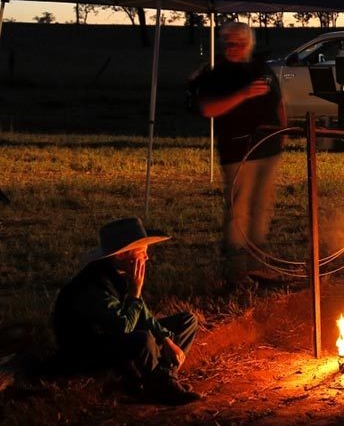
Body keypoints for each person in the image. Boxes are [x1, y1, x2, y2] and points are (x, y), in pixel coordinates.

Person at [51, 217, 201, 405]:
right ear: (121, 255)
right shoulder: (93, 286)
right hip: (89, 347)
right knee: (143, 338)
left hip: (114, 334)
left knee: (187, 320)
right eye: (142, 252)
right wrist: (136, 291)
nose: (147, 257)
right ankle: (162, 389)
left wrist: (165, 338)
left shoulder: (119, 274)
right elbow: (124, 327)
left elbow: (142, 313)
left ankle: (165, 378)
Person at [192, 21, 286, 280]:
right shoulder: (217, 74)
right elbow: (208, 109)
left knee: (262, 208)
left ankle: (258, 266)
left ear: (249, 45)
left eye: (239, 43)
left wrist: (283, 132)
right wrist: (243, 94)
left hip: (268, 148)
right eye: (229, 42)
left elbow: (278, 102)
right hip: (238, 152)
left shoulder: (261, 69)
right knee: (239, 210)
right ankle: (235, 271)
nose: (234, 47)